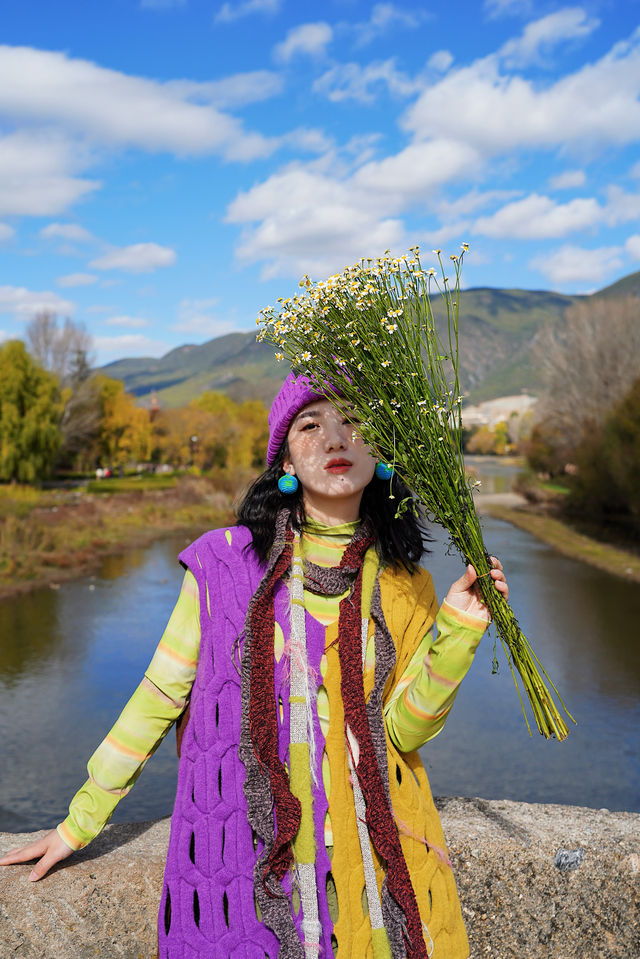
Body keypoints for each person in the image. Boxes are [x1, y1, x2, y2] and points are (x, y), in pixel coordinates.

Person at [1, 372, 508, 959]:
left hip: (368, 877)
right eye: (310, 425)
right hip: (248, 863)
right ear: (285, 457)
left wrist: (460, 627)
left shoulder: (406, 586)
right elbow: (160, 694)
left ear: (382, 454)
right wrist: (78, 824)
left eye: (354, 423)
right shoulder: (225, 563)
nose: (335, 439)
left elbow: (402, 732)